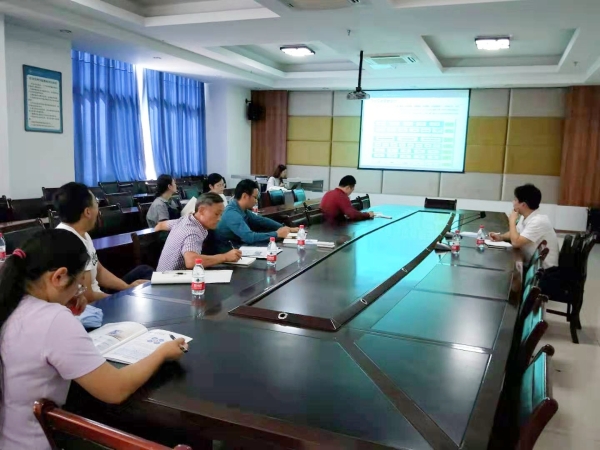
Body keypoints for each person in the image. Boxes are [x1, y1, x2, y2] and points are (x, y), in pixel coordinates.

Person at [0, 229, 188, 450]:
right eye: (79, 284)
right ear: (59, 277)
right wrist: (162, 352)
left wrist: (63, 302)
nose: (79, 292)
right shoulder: (53, 319)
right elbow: (114, 389)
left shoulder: (10, 301)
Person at [55, 182, 153, 303]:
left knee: (144, 271)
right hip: (90, 305)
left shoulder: (81, 232)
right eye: (96, 202)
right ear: (87, 212)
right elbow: (87, 296)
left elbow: (99, 271)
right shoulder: (70, 243)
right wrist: (123, 297)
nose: (98, 207)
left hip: (98, 294)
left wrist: (127, 288)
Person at [155, 193, 242, 270]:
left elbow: (160, 225)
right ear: (201, 210)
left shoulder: (184, 219)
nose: (219, 219)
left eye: (221, 214)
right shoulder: (192, 231)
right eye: (216, 214)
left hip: (161, 276)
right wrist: (225, 257)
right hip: (172, 280)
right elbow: (191, 261)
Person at [214, 179, 297, 252]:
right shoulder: (232, 213)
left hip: (237, 247)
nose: (256, 201)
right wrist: (277, 234)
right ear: (245, 196)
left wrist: (285, 228)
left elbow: (261, 220)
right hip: (228, 252)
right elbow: (249, 237)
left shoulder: (242, 209)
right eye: (255, 197)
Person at [489, 184, 559, 268]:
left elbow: (516, 243)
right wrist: (501, 237)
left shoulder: (538, 221)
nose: (513, 202)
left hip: (544, 271)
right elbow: (516, 233)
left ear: (523, 205)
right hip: (531, 266)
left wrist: (512, 221)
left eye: (515, 200)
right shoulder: (526, 216)